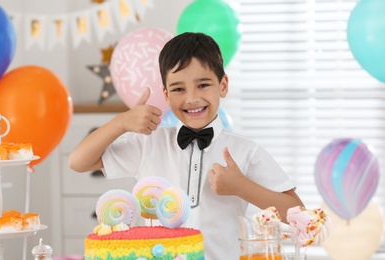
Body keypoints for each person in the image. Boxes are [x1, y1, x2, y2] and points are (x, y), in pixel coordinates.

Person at [69, 32, 304, 259]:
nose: (191, 98)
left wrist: (241, 186)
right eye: (179, 89)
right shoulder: (149, 143)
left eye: (203, 85)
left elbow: (297, 213)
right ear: (166, 94)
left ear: (223, 85)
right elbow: (78, 162)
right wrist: (121, 122)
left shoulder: (245, 151)